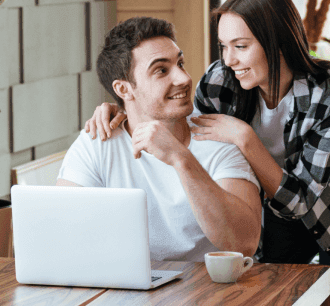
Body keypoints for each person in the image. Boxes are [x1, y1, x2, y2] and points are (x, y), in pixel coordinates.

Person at [85, 0, 330, 306]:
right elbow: (180, 123)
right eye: (224, 46)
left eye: (241, 47)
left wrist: (245, 138)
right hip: (275, 207)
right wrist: (124, 110)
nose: (229, 59)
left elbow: (302, 201)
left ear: (278, 43)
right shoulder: (220, 81)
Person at [58, 16, 262, 262]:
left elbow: (245, 243)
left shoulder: (218, 137)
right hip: (128, 290)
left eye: (181, 63)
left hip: (211, 291)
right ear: (124, 89)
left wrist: (181, 158)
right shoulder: (98, 142)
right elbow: (63, 234)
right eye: (161, 70)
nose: (184, 79)